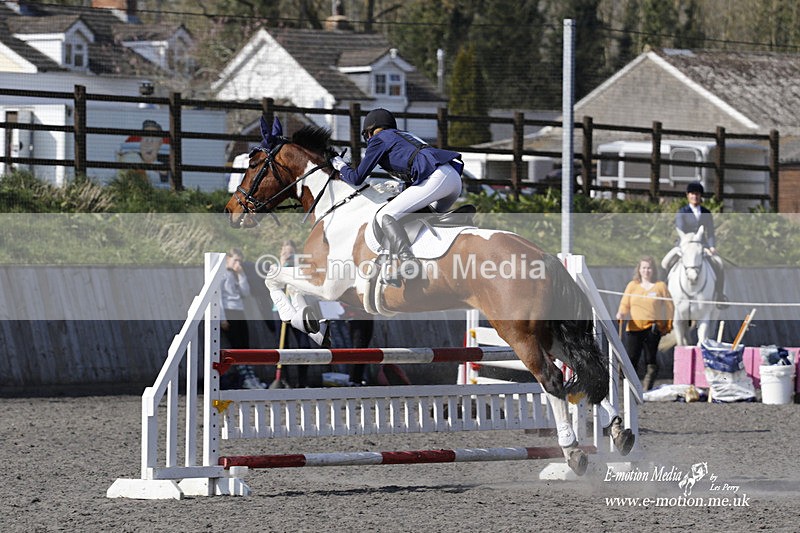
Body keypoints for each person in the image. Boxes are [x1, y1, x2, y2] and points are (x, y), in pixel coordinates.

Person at [329, 108, 465, 279]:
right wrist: (396, 187)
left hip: (436, 178)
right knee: (416, 219)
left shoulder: (379, 139)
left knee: (385, 215)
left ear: (370, 131)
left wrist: (340, 165)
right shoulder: (403, 135)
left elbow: (356, 178)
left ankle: (409, 263)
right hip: (452, 178)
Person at [662, 181, 728, 309]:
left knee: (719, 263)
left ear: (700, 196)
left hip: (701, 246)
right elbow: (680, 230)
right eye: (692, 194)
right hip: (684, 245)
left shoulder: (706, 213)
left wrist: (711, 246)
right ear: (688, 195)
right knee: (665, 263)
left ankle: (719, 295)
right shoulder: (682, 212)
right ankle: (664, 293)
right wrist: (687, 245)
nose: (695, 196)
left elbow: (710, 233)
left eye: (697, 194)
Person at [616, 256, 674, 391]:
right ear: (639, 269)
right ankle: (630, 387)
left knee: (650, 358)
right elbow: (625, 303)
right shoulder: (632, 286)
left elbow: (670, 306)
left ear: (653, 270)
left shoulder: (660, 286)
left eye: (649, 268)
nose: (646, 271)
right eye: (644, 268)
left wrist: (667, 325)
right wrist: (621, 313)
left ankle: (647, 388)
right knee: (631, 357)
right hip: (634, 327)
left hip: (652, 328)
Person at [220, 248, 266, 389]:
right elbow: (218, 297)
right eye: (235, 260)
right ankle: (244, 377)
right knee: (236, 346)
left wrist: (241, 275)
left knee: (245, 345)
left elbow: (245, 292)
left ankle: (251, 376)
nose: (238, 263)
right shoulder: (221, 274)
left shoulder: (237, 274)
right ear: (228, 259)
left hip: (239, 310)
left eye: (240, 260)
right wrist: (222, 318)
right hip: (228, 311)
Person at [118, 119, 170, 188]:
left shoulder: (163, 168)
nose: (148, 143)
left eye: (152, 140)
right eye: (145, 138)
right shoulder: (133, 159)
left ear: (160, 144)